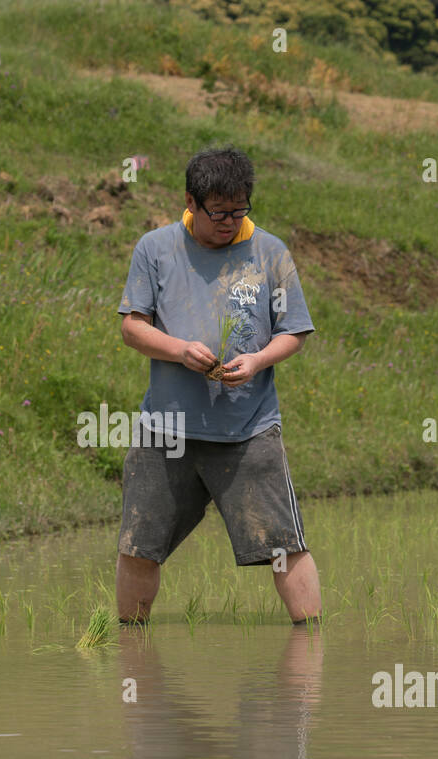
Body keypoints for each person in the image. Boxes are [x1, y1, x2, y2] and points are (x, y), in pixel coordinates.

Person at [115, 145, 320, 624]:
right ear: (190, 201)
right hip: (165, 430)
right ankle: (132, 650)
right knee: (138, 544)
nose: (230, 222)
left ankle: (309, 653)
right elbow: (132, 328)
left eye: (239, 210)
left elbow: (294, 331)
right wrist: (180, 350)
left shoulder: (270, 253)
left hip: (248, 430)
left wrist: (258, 361)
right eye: (218, 212)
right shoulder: (155, 248)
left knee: (284, 546)